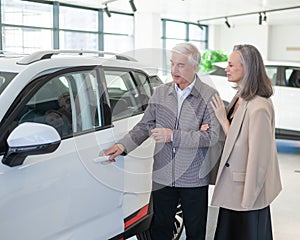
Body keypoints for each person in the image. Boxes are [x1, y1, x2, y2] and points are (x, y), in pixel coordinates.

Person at [104, 42, 223, 240]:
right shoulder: (160, 92)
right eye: (172, 64)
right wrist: (122, 146)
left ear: (195, 67)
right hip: (163, 175)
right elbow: (145, 125)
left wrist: (173, 135)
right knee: (160, 229)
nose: (174, 70)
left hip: (193, 178)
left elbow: (211, 137)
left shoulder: (209, 96)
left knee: (195, 231)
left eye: (181, 65)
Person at [210, 44, 282, 240]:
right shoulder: (241, 97)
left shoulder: (258, 107)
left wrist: (249, 198)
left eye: (232, 65)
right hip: (233, 187)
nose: (227, 68)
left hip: (246, 191)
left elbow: (259, 157)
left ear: (248, 68)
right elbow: (237, 137)